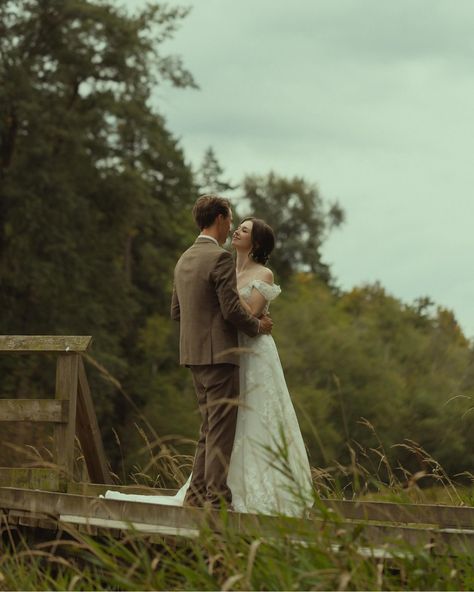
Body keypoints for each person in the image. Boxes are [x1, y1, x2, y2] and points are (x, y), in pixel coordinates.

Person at [105, 203, 313, 516]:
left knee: (212, 427)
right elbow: (232, 311)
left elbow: (178, 311)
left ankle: (199, 496)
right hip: (222, 353)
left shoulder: (185, 258)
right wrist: (258, 326)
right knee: (220, 429)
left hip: (202, 354)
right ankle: (216, 500)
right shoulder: (219, 259)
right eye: (233, 222)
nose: (234, 228)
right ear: (220, 219)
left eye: (243, 228)